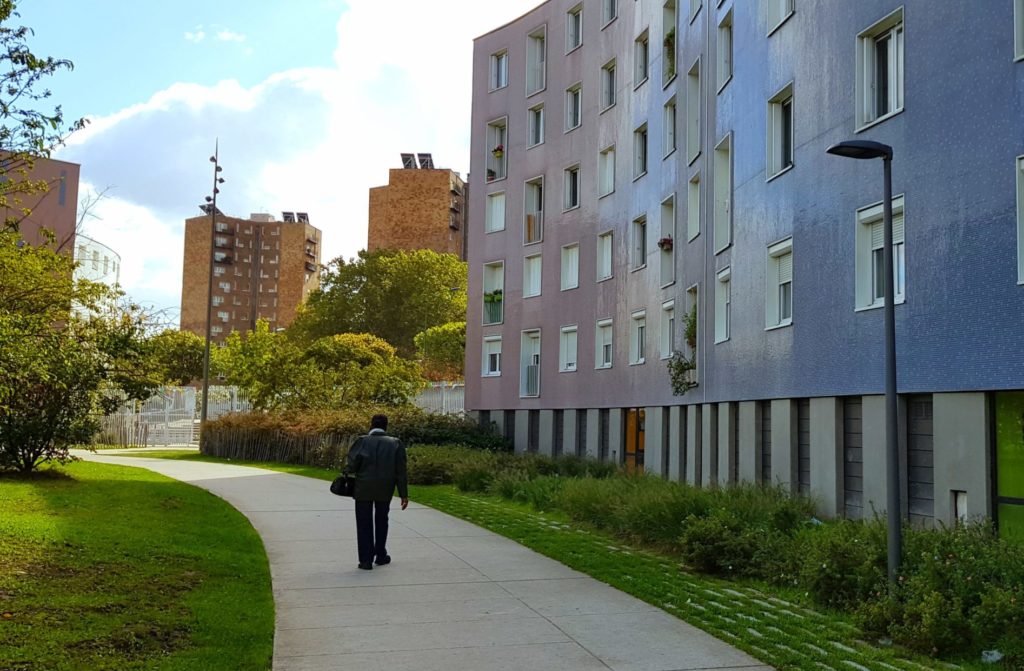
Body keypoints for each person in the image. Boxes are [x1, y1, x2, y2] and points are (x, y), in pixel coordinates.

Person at [345, 414, 409, 570]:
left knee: (363, 523)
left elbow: (351, 466)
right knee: (382, 520)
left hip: (363, 488)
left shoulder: (362, 441)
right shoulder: (396, 443)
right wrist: (403, 494)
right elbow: (401, 471)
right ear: (386, 426)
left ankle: (365, 560)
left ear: (371, 425)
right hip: (385, 488)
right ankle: (380, 554)